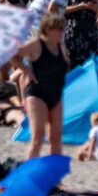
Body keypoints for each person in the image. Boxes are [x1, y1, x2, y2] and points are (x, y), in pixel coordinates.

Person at [16, 13, 69, 160]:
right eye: (57, 29)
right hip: (37, 93)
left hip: (56, 94)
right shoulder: (36, 44)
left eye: (61, 28)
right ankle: (29, 173)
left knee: (56, 138)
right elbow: (12, 54)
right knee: (38, 137)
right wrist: (25, 69)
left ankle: (54, 180)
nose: (60, 32)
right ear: (47, 29)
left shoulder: (61, 47)